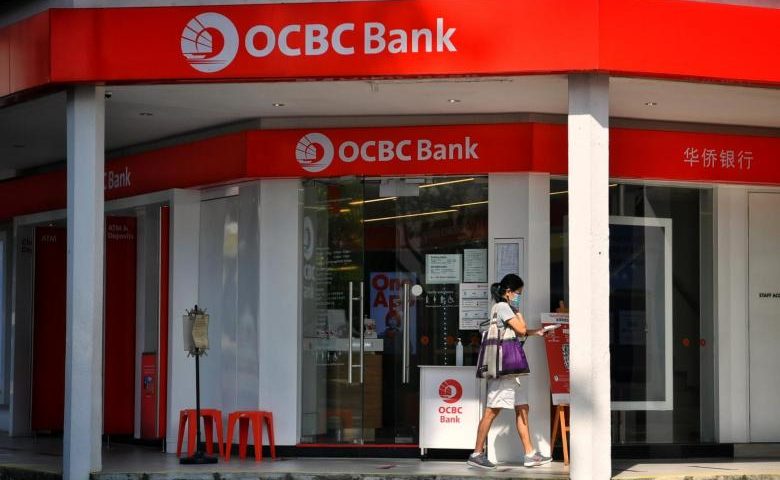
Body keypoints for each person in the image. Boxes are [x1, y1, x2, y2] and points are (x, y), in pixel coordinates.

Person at [466, 273, 553, 469]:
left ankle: (530, 454)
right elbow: (521, 329)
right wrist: (519, 312)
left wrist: (538, 332)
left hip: (512, 371)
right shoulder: (503, 307)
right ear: (508, 291)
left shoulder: (505, 308)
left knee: (523, 408)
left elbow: (517, 331)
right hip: (504, 370)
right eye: (518, 293)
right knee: (491, 411)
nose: (519, 296)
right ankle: (477, 453)